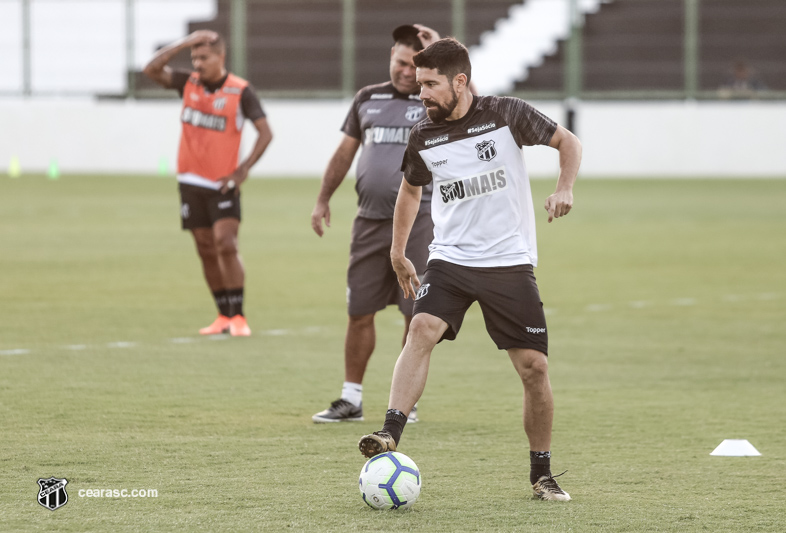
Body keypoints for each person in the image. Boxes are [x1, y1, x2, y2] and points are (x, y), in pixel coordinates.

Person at [357, 38, 582, 502]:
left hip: (508, 261)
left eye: (431, 85)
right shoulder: (423, 135)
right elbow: (411, 192)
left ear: (460, 82)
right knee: (421, 328)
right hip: (451, 258)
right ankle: (389, 432)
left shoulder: (506, 113)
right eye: (420, 85)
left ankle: (541, 474)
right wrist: (399, 252)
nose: (422, 94)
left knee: (534, 369)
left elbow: (568, 142)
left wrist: (565, 188)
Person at [310, 24, 443, 424]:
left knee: (414, 313)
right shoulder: (367, 98)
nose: (406, 71)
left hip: (421, 220)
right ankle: (351, 398)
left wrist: (437, 50)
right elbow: (345, 153)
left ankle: (406, 402)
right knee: (359, 310)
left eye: (415, 64)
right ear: (390, 59)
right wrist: (322, 199)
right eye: (400, 62)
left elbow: (472, 100)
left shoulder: (435, 99)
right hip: (368, 222)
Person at [143, 30, 273, 337]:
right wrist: (184, 42)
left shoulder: (240, 90)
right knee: (204, 248)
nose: (198, 64)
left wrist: (242, 170)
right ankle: (222, 314)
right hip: (189, 180)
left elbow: (265, 133)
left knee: (225, 244)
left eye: (204, 57)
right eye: (194, 58)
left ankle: (239, 316)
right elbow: (151, 70)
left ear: (221, 57)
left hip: (222, 184)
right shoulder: (188, 83)